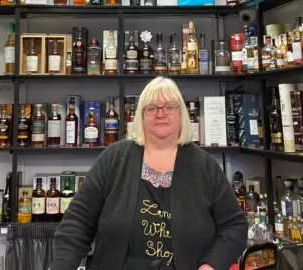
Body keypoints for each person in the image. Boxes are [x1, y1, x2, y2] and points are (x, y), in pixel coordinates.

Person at [50, 77, 248, 270]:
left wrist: (211, 266)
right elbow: (77, 222)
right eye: (152, 108)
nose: (160, 114)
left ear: (182, 115)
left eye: (169, 107)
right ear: (141, 115)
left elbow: (235, 226)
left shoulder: (204, 165)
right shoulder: (114, 158)